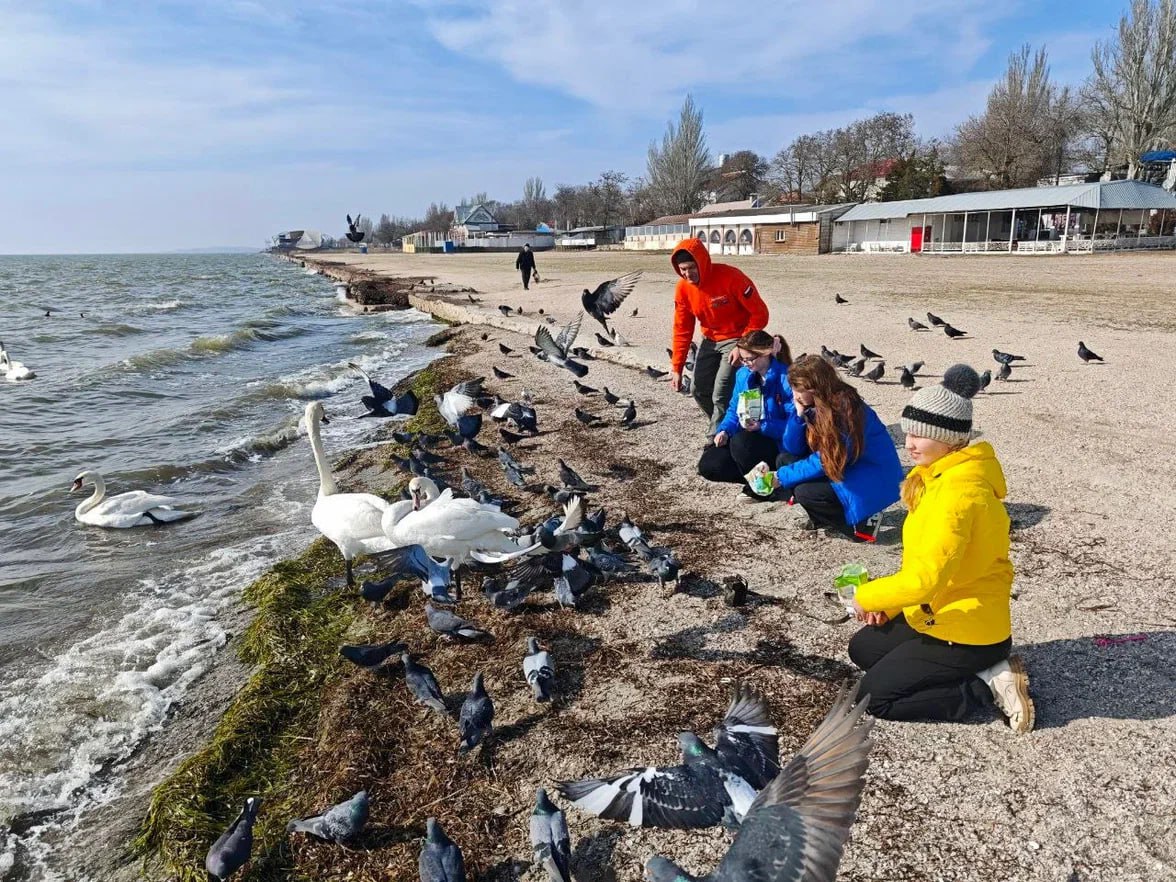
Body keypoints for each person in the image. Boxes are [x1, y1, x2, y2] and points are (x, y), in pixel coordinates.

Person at [848, 364, 1034, 733]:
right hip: (944, 608)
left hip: (970, 632)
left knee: (875, 697)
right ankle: (984, 668)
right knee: (864, 649)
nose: (909, 443)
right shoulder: (938, 477)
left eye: (920, 434)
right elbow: (929, 567)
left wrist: (866, 597)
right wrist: (892, 604)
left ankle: (983, 686)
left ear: (949, 439)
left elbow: (926, 579)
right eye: (908, 432)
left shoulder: (955, 494)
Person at [769, 355, 903, 540]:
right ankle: (822, 519)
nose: (795, 395)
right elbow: (793, 448)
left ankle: (861, 528)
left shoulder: (845, 410)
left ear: (814, 389)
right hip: (848, 465)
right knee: (785, 460)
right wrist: (798, 416)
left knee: (805, 491)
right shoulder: (814, 405)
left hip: (869, 472)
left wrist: (781, 477)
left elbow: (828, 459)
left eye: (798, 390)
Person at [668, 238, 769, 439]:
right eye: (683, 269)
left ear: (702, 262)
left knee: (721, 392)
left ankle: (714, 440)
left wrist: (742, 345)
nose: (688, 274)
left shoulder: (731, 277)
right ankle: (726, 428)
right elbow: (682, 329)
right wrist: (677, 368)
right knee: (698, 389)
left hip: (737, 337)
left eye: (691, 267)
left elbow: (760, 314)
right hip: (710, 339)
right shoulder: (683, 289)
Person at [698, 331, 792, 494]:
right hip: (750, 438)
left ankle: (763, 487)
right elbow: (734, 410)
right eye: (742, 359)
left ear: (765, 353)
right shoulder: (743, 375)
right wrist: (725, 430)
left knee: (741, 442)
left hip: (778, 442)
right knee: (709, 464)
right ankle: (760, 480)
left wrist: (763, 426)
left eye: (749, 359)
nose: (745, 363)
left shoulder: (787, 378)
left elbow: (795, 424)